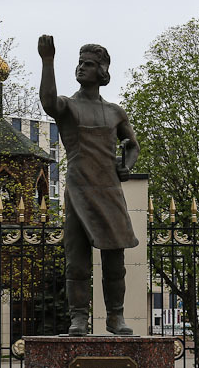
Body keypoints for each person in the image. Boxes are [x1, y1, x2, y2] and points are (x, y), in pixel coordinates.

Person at [38, 35, 140, 336]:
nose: (82, 68)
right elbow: (47, 101)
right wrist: (47, 61)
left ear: (102, 71)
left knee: (114, 263)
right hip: (79, 191)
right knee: (77, 262)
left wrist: (126, 165)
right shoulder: (67, 106)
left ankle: (115, 317)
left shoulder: (115, 112)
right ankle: (79, 318)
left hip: (109, 191)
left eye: (89, 64)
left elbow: (132, 145)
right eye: (80, 63)